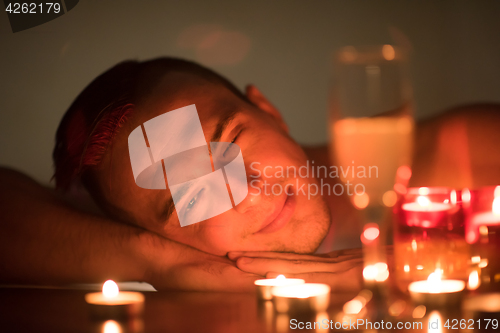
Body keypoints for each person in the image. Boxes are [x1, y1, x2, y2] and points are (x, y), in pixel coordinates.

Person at [1, 57, 499, 292]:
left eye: (231, 144)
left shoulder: (458, 154)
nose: (244, 192)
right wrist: (161, 264)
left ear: (267, 110)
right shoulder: (150, 238)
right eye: (193, 199)